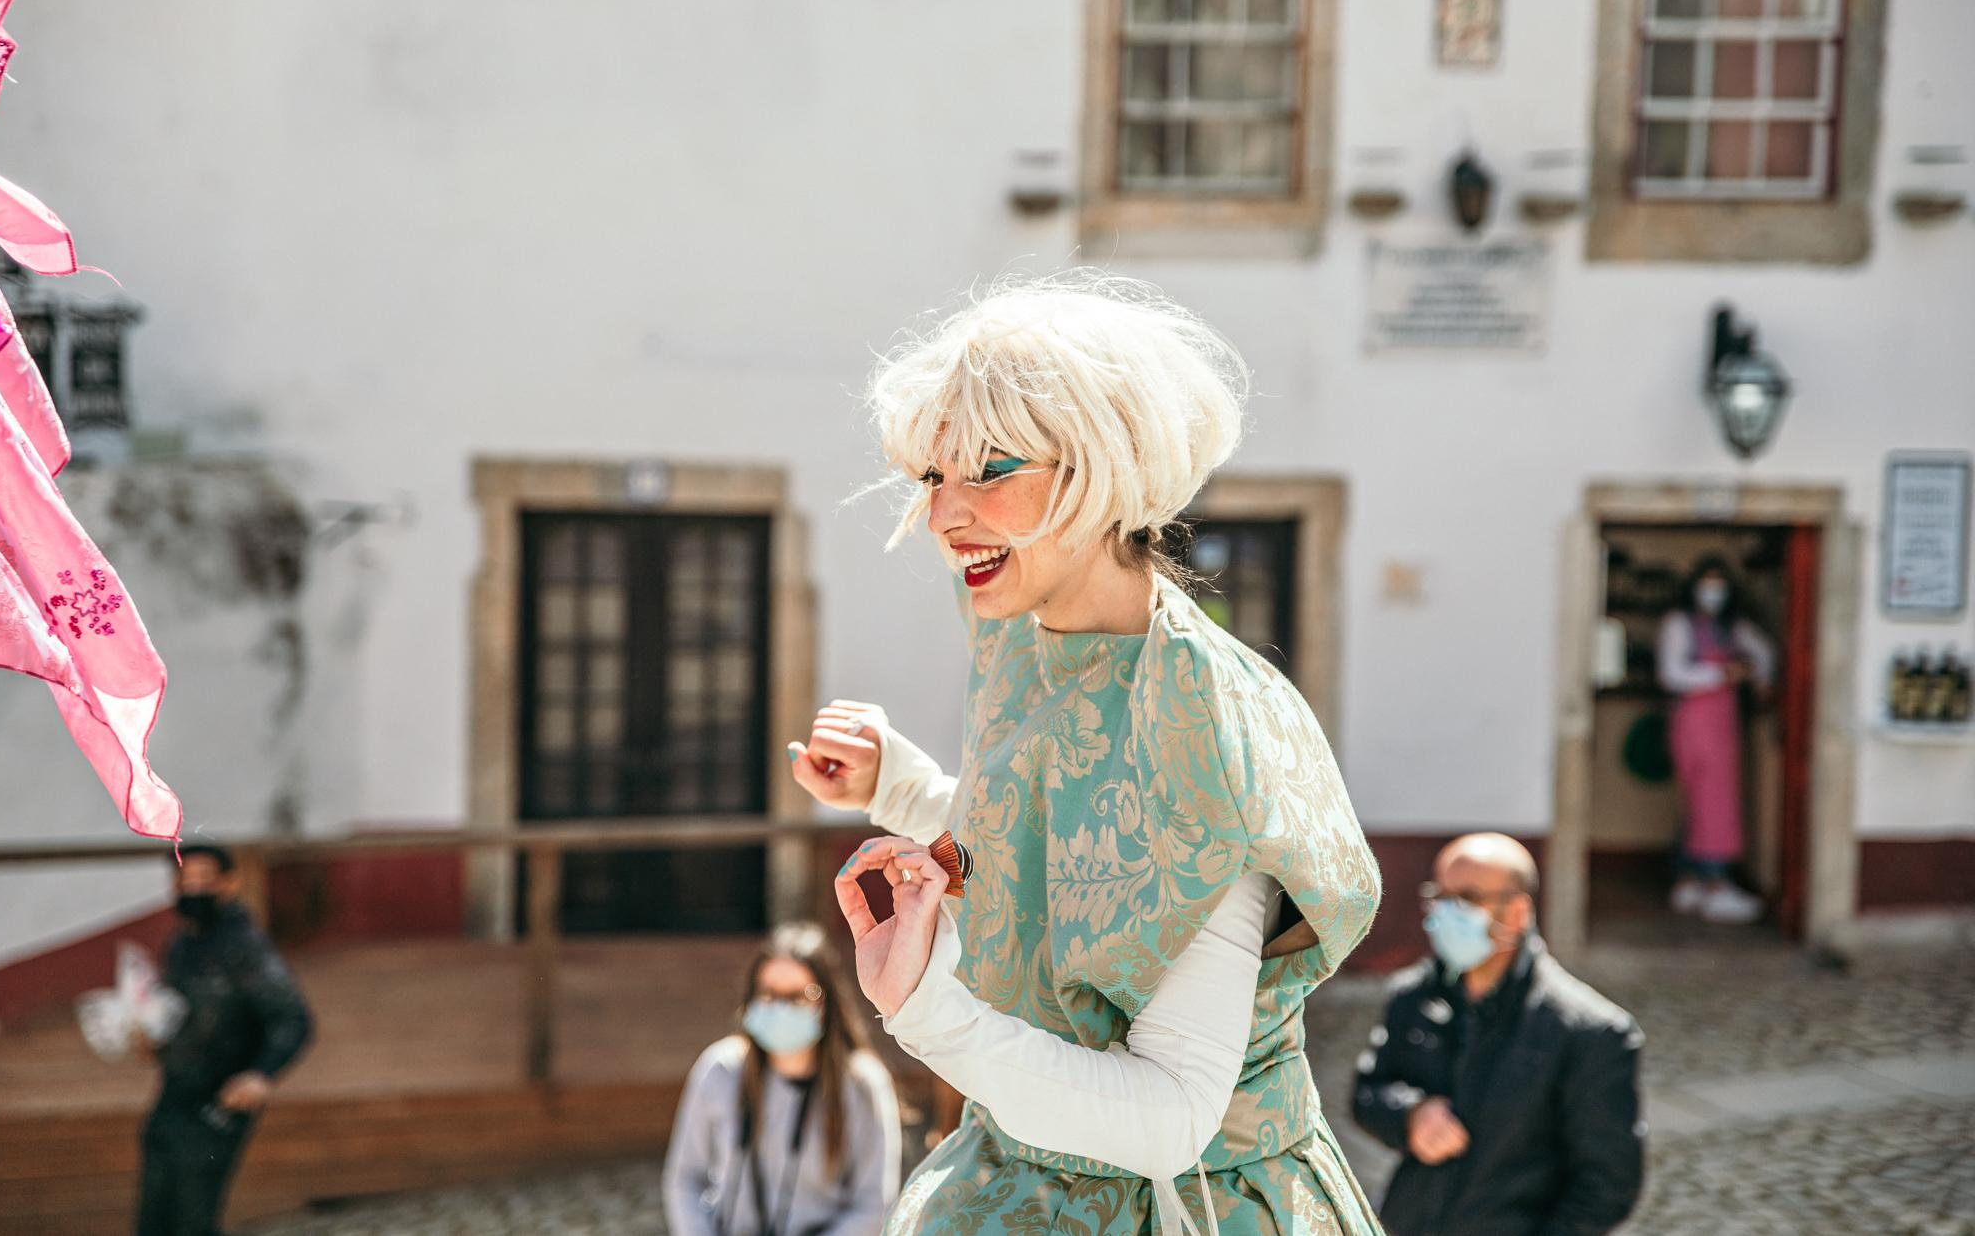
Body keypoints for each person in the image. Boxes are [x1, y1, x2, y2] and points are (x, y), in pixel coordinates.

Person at [789, 274, 1385, 1235]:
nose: (944, 518)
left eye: (989, 470)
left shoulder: (1199, 709)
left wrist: (924, 1008)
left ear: (1101, 467)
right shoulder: (1023, 622)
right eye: (934, 478)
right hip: (1022, 1175)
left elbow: (1169, 1119)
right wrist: (896, 783)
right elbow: (1066, 853)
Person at [1351, 834, 1644, 1236]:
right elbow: (1368, 1092)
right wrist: (1410, 1114)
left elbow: (1608, 1184)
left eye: (1468, 898)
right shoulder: (1414, 994)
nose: (1448, 911)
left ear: (1518, 912)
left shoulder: (1589, 1031)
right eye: (1440, 896)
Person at [663, 921, 904, 1236]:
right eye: (769, 994)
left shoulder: (862, 1083)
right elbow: (685, 1179)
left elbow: (874, 1204)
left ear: (826, 1002)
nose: (781, 1007)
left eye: (798, 996)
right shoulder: (720, 1069)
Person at [137, 844, 313, 1236]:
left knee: (193, 1218)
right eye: (185, 880)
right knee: (153, 1214)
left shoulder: (244, 946)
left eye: (204, 879)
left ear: (228, 884)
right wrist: (150, 1039)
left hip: (219, 1101)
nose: (193, 889)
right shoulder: (182, 944)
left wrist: (260, 1074)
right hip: (174, 1092)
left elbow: (293, 1018)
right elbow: (177, 1014)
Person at [1657, 556, 1775, 924]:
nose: (1713, 592)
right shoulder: (1679, 624)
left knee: (1718, 801)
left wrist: (1759, 678)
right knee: (1700, 800)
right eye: (1707, 583)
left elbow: (1765, 653)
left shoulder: (1732, 627)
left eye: (1720, 584)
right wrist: (1723, 673)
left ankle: (1700, 879)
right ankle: (1708, 881)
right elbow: (1672, 674)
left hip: (1722, 724)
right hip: (1692, 722)